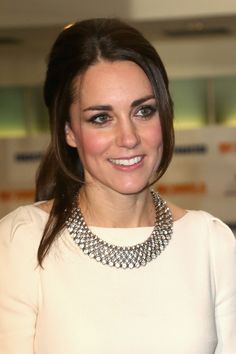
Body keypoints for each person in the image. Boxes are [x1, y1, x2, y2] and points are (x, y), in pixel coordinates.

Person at [0, 18, 235, 354]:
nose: (129, 138)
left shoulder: (211, 242)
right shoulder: (20, 242)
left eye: (143, 111)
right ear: (68, 131)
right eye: (101, 118)